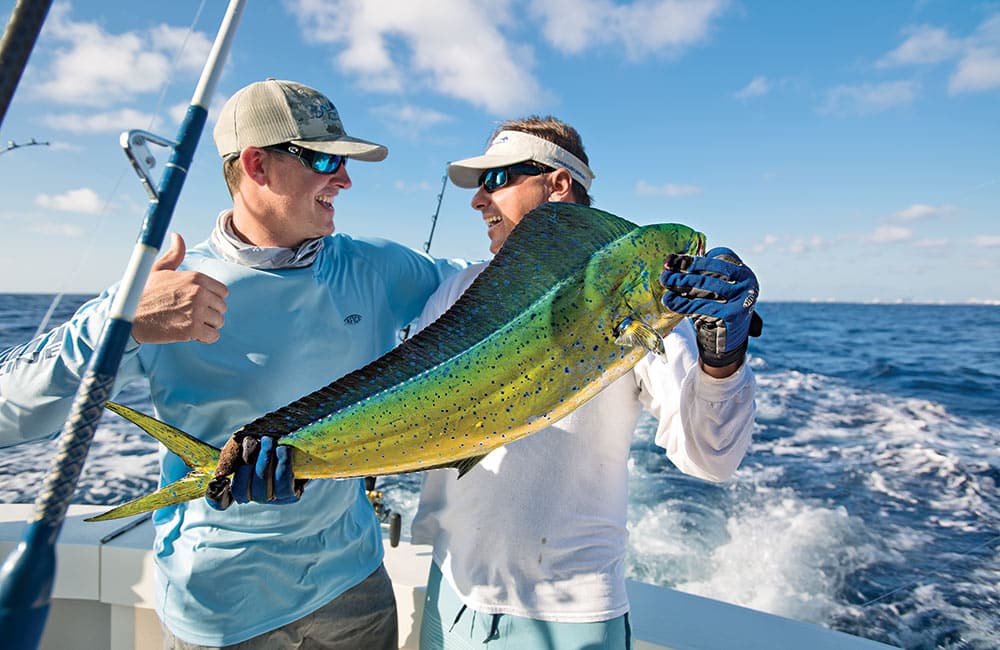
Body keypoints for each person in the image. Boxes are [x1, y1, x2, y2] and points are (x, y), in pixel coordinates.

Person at [0, 79, 466, 649]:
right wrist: (119, 321)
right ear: (257, 165)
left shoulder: (376, 265)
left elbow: (488, 286)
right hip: (221, 605)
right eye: (325, 159)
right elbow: (9, 411)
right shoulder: (166, 288)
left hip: (356, 586)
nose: (344, 179)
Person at [410, 116, 761, 649]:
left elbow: (711, 458)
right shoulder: (457, 291)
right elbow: (402, 409)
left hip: (569, 615)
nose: (479, 200)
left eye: (499, 179)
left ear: (558, 184)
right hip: (451, 592)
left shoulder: (635, 294)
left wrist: (723, 357)